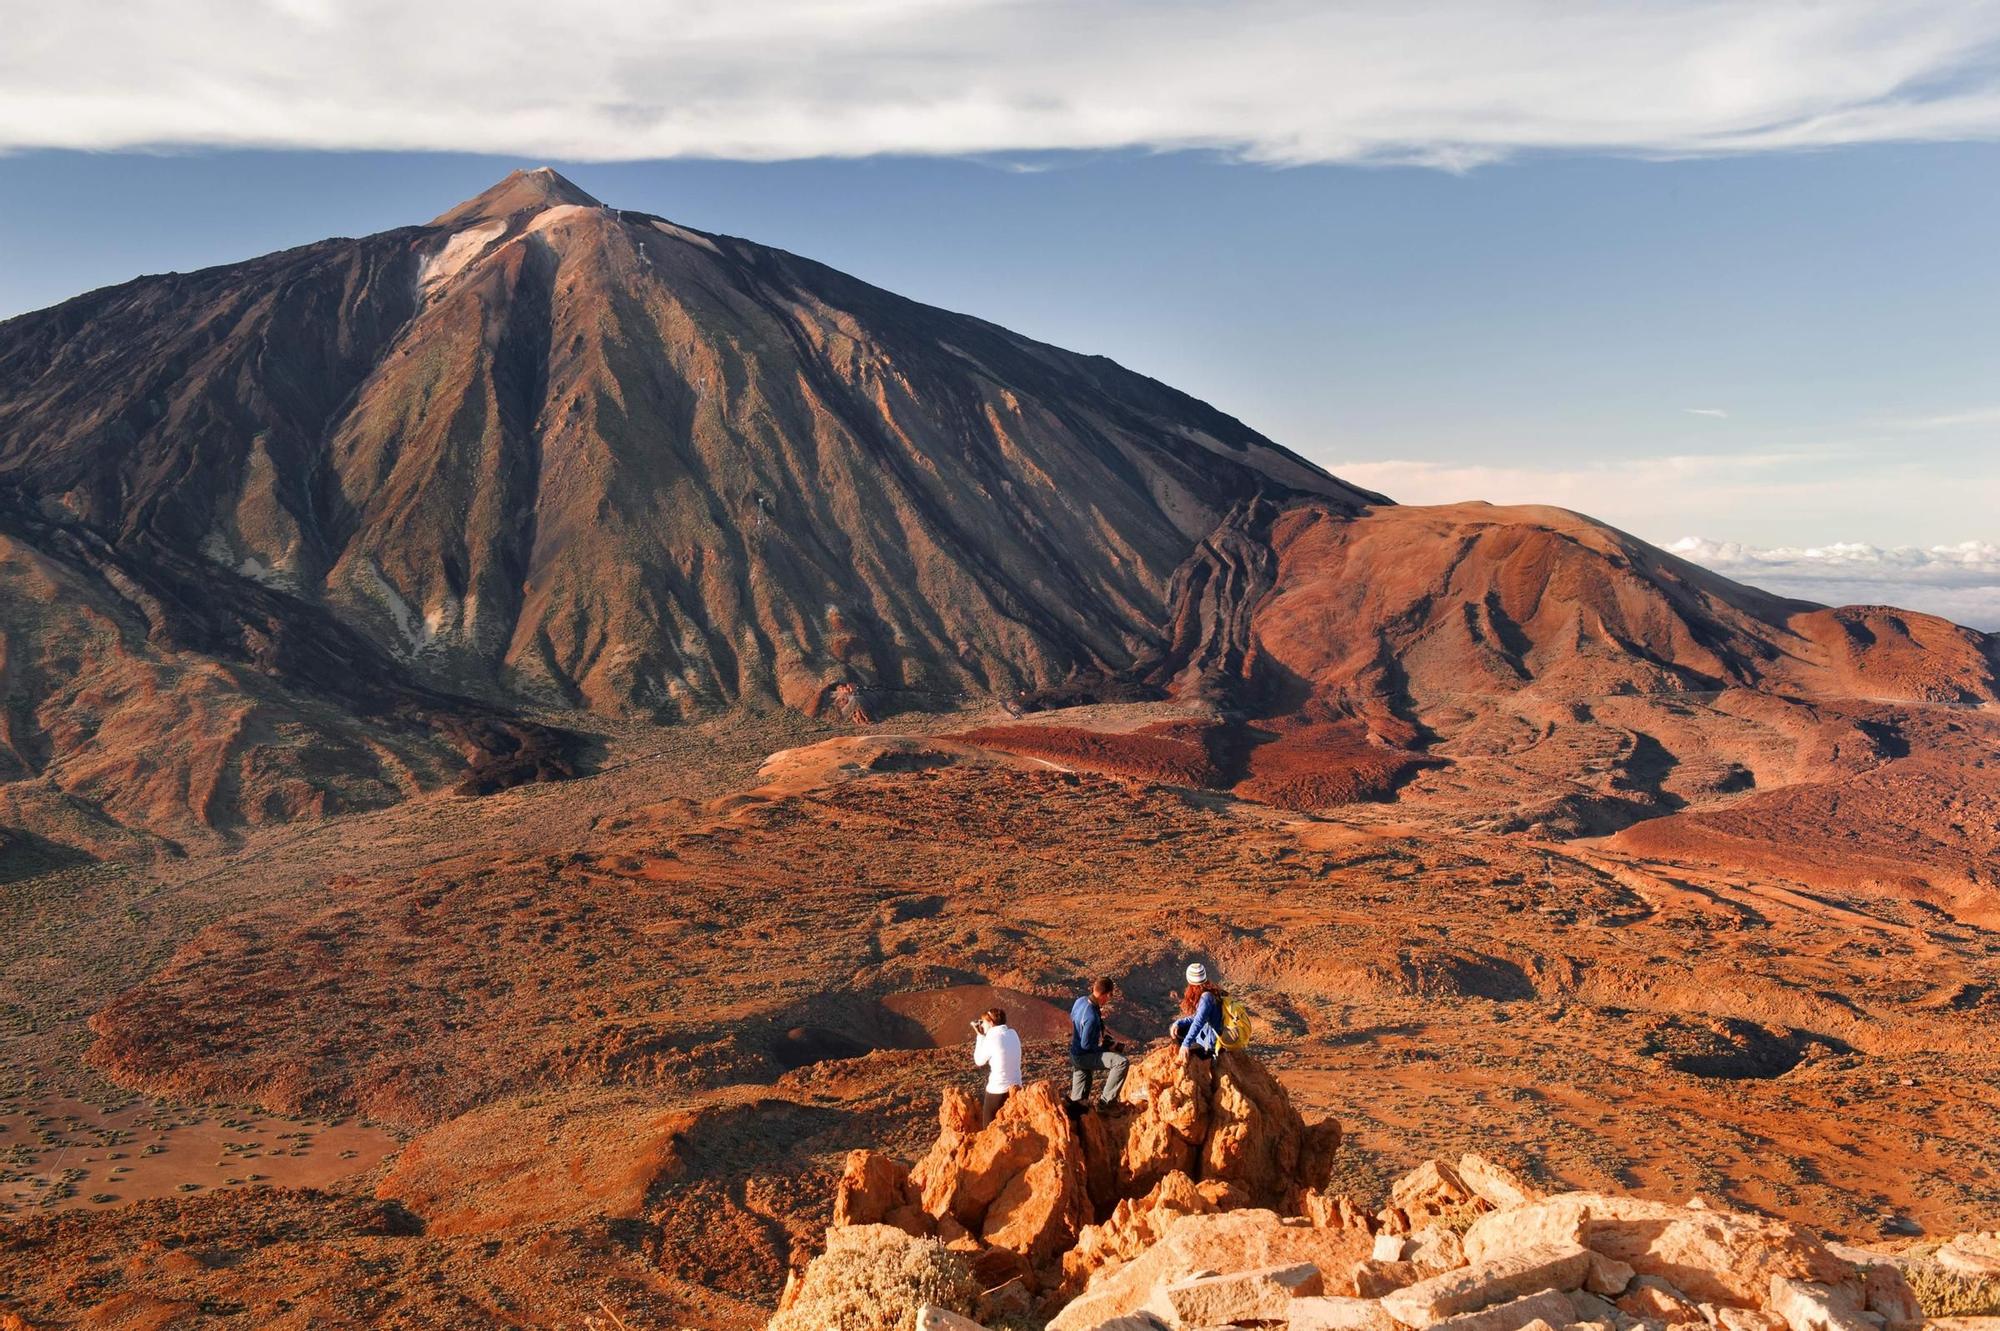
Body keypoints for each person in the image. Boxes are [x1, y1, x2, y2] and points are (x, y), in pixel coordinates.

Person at [1068, 977, 1128, 1112]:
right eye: (1110, 996)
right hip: (1083, 1056)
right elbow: (1086, 1046)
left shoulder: (1080, 1001)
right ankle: (1106, 1104)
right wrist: (1106, 1048)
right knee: (1121, 1062)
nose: (1108, 1000)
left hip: (1074, 1052)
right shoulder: (1091, 1017)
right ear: (1106, 994)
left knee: (1078, 1104)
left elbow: (1073, 1017)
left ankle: (1076, 1116)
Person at [971, 1007, 1022, 1125]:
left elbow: (978, 1061)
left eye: (983, 1022)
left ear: (991, 1023)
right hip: (1016, 1086)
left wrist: (980, 1036)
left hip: (997, 1090)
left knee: (988, 1127)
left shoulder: (991, 1038)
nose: (982, 1026)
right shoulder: (1013, 1033)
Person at [1171, 962, 1226, 1060]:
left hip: (1210, 1045)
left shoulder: (1206, 998)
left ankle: (1191, 1064)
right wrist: (1179, 1022)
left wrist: (1185, 1044)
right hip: (1212, 1037)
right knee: (1179, 1027)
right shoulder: (1212, 992)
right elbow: (1197, 1017)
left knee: (1179, 1033)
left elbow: (1198, 1022)